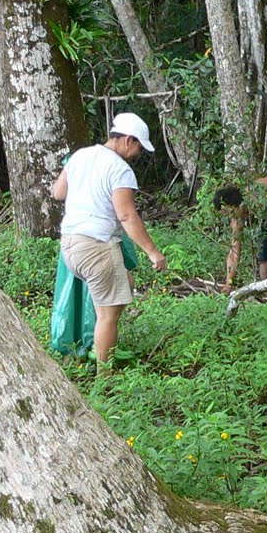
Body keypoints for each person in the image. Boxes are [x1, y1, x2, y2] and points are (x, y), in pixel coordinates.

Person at [50, 113, 167, 363]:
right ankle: (105, 376)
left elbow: (58, 193)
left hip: (70, 243)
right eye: (138, 147)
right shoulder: (120, 169)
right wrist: (152, 251)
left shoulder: (80, 156)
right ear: (127, 140)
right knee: (108, 316)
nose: (137, 154)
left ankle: (100, 345)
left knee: (126, 280)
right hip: (97, 245)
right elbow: (126, 216)